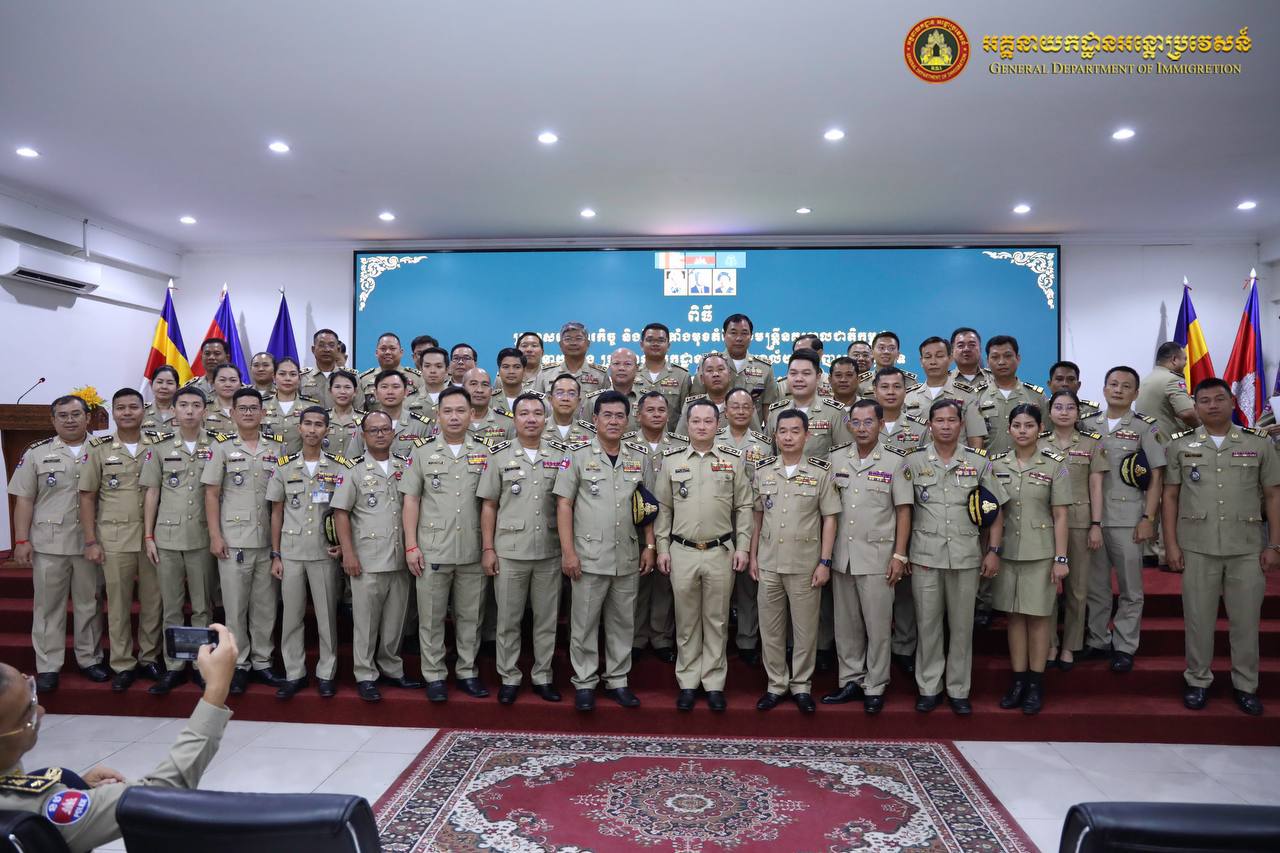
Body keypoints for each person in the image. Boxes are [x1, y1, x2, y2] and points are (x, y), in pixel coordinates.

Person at [0, 623, 238, 853]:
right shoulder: (38, 809)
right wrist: (216, 691)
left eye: (32, 691)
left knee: (66, 777)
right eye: (28, 715)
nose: (41, 712)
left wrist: (76, 789)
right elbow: (160, 793)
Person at [1163, 378, 1280, 716]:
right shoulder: (1180, 445)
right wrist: (1170, 545)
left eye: (1219, 399)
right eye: (1204, 400)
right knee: (1198, 620)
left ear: (1232, 401)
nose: (1212, 405)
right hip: (1197, 546)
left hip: (1246, 547)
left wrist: (1275, 544)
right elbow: (1170, 496)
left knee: (1246, 622)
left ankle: (1246, 685)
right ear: (1195, 406)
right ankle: (1198, 680)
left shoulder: (1258, 443)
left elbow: (1273, 495)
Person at [892, 398, 1007, 715]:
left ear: (961, 424)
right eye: (939, 421)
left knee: (961, 627)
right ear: (929, 425)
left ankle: (958, 689)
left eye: (951, 420)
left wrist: (994, 550)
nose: (945, 426)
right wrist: (903, 554)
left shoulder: (979, 462)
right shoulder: (912, 462)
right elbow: (904, 511)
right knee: (927, 626)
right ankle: (929, 687)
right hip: (926, 556)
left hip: (966, 556)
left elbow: (995, 510)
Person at [555, 390, 655, 711]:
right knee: (584, 623)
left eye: (619, 416)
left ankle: (617, 680)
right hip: (588, 557)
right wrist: (568, 552)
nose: (614, 421)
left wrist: (649, 545)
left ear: (628, 421)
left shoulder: (638, 457)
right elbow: (564, 504)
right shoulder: (577, 455)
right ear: (595, 419)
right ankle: (584, 682)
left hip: (627, 555)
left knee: (623, 623)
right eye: (607, 415)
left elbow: (648, 506)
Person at [655, 399, 754, 712]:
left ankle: (713, 683)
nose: (701, 426)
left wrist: (743, 547)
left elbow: (744, 506)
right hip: (682, 551)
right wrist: (661, 548)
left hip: (720, 551)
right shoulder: (672, 461)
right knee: (685, 621)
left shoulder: (732, 460)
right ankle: (687, 681)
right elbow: (663, 508)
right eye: (695, 421)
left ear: (717, 424)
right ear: (687, 424)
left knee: (717, 620)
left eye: (708, 421)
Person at [9, 395, 107, 691]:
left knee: (89, 603)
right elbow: (24, 500)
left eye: (76, 414)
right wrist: (21, 540)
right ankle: (48, 666)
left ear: (88, 417)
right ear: (52, 420)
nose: (70, 420)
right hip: (49, 543)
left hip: (91, 542)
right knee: (48, 607)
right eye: (62, 415)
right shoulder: (36, 453)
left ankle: (89, 659)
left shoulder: (104, 449)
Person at [401, 387, 492, 702]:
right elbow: (411, 500)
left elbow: (490, 504)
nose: (454, 417)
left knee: (471, 617)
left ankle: (467, 672)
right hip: (432, 549)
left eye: (460, 411)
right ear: (437, 415)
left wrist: (488, 547)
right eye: (448, 411)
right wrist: (411, 545)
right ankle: (435, 675)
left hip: (472, 549)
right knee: (431, 617)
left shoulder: (485, 452)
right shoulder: (422, 452)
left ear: (471, 415)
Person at [749, 410, 840, 714]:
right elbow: (757, 516)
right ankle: (776, 684)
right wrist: (753, 556)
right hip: (769, 563)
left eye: (795, 431)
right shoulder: (763, 471)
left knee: (805, 630)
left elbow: (830, 519)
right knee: (771, 629)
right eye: (783, 431)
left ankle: (801, 685)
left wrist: (825, 561)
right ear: (775, 436)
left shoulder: (820, 472)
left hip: (805, 564)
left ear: (807, 435)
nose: (788, 437)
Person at [478, 393, 567, 704]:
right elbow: (489, 505)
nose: (531, 419)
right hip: (510, 552)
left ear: (546, 419)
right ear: (514, 419)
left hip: (549, 551)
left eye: (537, 413)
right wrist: (488, 549)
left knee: (546, 620)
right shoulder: (498, 454)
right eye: (524, 413)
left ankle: (543, 676)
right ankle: (509, 676)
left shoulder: (560, 454)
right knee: (508, 620)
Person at [825, 400, 910, 714]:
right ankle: (850, 679)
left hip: (878, 556)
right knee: (845, 624)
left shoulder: (895, 461)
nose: (862, 428)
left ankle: (875, 684)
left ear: (880, 424)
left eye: (868, 422)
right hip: (842, 556)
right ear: (849, 425)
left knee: (877, 626)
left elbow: (903, 511)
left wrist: (900, 555)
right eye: (856, 422)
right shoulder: (835, 458)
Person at [332, 410, 424, 702]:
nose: (380, 434)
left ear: (393, 433)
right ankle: (365, 674)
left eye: (385, 429)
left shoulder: (405, 466)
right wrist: (348, 554)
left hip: (399, 556)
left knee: (395, 621)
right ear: (363, 436)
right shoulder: (353, 469)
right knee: (366, 622)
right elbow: (340, 513)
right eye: (374, 430)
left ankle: (392, 667)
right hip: (367, 559)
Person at [1079, 366, 1166, 672]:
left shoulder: (1145, 428)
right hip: (1092, 519)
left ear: (1136, 393)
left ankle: (1125, 645)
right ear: (1104, 389)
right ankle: (1098, 640)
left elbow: (1156, 476)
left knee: (1131, 588)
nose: (1118, 389)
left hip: (1129, 518)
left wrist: (1148, 517)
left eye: (1126, 386)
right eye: (1113, 384)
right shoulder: (1087, 424)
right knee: (1096, 586)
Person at [201, 387, 287, 693]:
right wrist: (215, 535)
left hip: (267, 541)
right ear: (233, 413)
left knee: (265, 606)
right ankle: (238, 664)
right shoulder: (222, 447)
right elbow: (211, 494)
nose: (249, 413)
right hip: (234, 540)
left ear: (263, 413)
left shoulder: (276, 447)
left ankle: (263, 662)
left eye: (254, 408)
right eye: (243, 408)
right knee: (235, 607)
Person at [78, 389, 163, 692]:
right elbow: (87, 496)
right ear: (113, 413)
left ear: (144, 411)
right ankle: (123, 663)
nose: (127, 413)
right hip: (114, 537)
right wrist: (91, 541)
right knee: (118, 604)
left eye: (133, 407)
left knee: (153, 601)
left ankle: (149, 657)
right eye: (121, 408)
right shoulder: (98, 448)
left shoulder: (159, 443)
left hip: (154, 537)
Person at [990, 405, 1072, 714]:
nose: (1022, 430)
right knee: (1014, 617)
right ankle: (1018, 681)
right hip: (1008, 550)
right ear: (1009, 429)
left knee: (1038, 619)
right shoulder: (996, 464)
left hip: (1041, 552)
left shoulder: (1054, 464)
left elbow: (1060, 515)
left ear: (1040, 429)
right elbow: (993, 512)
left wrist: (1061, 558)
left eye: (1029, 425)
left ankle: (1036, 683)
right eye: (1017, 425)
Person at [267, 406, 348, 699]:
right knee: (291, 617)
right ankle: (294, 673)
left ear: (327, 430)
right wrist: (276, 554)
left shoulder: (339, 467)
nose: (313, 429)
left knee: (326, 618)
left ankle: (326, 673)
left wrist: (343, 544)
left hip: (324, 552)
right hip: (291, 552)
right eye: (308, 424)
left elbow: (343, 511)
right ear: (299, 428)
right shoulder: (284, 466)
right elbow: (276, 512)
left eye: (318, 425)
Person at [140, 386, 217, 694]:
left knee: (202, 606)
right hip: (167, 536)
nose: (189, 410)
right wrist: (148, 535)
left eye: (196, 405)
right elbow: (152, 492)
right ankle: (173, 667)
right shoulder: (159, 447)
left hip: (201, 536)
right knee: (171, 606)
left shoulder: (217, 445)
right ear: (173, 410)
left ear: (205, 411)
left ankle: (201, 665)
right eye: (183, 405)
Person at [970, 335, 1043, 626]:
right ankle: (984, 601)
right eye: (995, 357)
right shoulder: (976, 396)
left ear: (1018, 359)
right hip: (988, 478)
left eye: (1008, 356)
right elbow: (974, 442)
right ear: (987, 360)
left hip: (1027, 477)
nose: (1001, 362)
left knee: (1021, 536)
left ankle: (1016, 598)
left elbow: (1046, 439)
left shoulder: (1034, 397)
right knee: (985, 539)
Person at [1039, 391, 1108, 670]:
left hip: (1080, 522)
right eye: (1058, 407)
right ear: (1050, 412)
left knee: (1077, 589)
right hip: (1045, 522)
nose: (1064, 412)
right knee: (1046, 587)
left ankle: (1070, 645)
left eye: (1070, 407)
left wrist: (1096, 525)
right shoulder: (1039, 442)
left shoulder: (1092, 443)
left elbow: (1096, 486)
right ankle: (1050, 644)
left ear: (1078, 413)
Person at [630, 391, 688, 662]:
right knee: (637, 585)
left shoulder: (681, 445)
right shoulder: (625, 444)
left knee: (664, 585)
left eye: (661, 410)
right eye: (650, 410)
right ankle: (636, 637)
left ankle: (662, 637)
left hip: (670, 528)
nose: (656, 415)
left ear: (668, 414)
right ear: (638, 414)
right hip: (633, 529)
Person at [904, 336, 987, 449]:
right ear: (921, 361)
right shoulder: (908, 396)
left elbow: (975, 438)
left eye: (939, 356)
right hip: (918, 460)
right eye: (928, 357)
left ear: (950, 358)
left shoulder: (967, 395)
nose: (933, 362)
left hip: (958, 459)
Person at [765, 349, 850, 459]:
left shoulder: (834, 412)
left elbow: (846, 456)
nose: (798, 379)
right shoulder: (776, 413)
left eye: (806, 373)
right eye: (793, 373)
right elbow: (768, 455)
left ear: (818, 377)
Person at [709, 313, 778, 418]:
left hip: (752, 428)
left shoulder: (765, 368)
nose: (739, 338)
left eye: (744, 333)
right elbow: (697, 401)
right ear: (724, 335)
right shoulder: (708, 364)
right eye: (733, 333)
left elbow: (769, 409)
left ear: (751, 336)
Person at [1136, 342, 1200, 442]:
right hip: (1168, 446)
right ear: (1174, 360)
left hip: (1147, 444)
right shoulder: (1172, 380)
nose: (1186, 363)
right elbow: (1187, 414)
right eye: (1185, 359)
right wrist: (1202, 430)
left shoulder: (1145, 381)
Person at [634, 322, 691, 431]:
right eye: (650, 340)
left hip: (670, 439)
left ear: (668, 345)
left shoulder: (682, 376)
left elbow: (686, 414)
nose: (655, 344)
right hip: (635, 439)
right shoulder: (632, 373)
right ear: (641, 344)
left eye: (660, 340)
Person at [260, 357, 317, 455]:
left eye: (293, 374)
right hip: (269, 462)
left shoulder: (311, 407)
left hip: (301, 462)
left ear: (299, 378)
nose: (287, 378)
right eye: (282, 374)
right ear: (274, 378)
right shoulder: (261, 406)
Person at [370, 369, 434, 456]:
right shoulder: (365, 425)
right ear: (376, 393)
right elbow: (356, 459)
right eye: (384, 387)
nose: (390, 392)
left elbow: (427, 459)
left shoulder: (421, 426)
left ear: (406, 392)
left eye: (396, 387)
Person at [537, 321, 609, 395]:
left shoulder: (600, 375)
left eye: (578, 338)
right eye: (568, 339)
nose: (573, 343)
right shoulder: (545, 374)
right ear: (560, 344)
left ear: (588, 343)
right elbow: (534, 400)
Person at [359, 332, 421, 411]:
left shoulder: (417, 378)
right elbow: (359, 411)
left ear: (401, 352)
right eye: (383, 349)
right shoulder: (363, 380)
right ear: (376, 353)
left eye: (392, 348)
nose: (388, 352)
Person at [581, 348, 640, 430]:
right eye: (616, 363)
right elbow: (584, 433)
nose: (621, 368)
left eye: (627, 364)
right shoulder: (593, 401)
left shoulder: (646, 399)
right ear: (609, 368)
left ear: (637, 369)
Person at [873, 367, 927, 450]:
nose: (890, 392)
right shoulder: (863, 426)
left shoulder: (921, 427)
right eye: (884, 387)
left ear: (905, 391)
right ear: (875, 391)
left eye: (897, 386)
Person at [463, 367, 514, 446]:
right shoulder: (451, 420)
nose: (479, 390)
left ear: (491, 391)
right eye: (473, 384)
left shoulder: (507, 423)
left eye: (485, 385)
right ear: (463, 389)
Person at [858, 331, 918, 396]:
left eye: (891, 348)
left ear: (898, 354)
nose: (886, 352)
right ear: (872, 353)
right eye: (881, 348)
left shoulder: (910, 382)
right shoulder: (860, 382)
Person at [544, 373, 595, 444]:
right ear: (550, 399)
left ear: (578, 401)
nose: (565, 398)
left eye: (571, 394)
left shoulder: (590, 433)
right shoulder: (538, 428)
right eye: (559, 393)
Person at [776, 334, 832, 398]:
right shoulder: (783, 385)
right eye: (796, 352)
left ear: (820, 353)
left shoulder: (832, 383)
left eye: (805, 352)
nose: (800, 356)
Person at [324, 369, 364, 457]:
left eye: (347, 387)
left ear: (355, 392)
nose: (342, 392)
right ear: (330, 391)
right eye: (337, 387)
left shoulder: (364, 419)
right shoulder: (322, 418)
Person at [299, 328, 342, 407]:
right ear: (313, 349)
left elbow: (357, 410)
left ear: (338, 350)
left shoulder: (350, 378)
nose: (327, 349)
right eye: (321, 345)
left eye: (331, 345)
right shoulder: (301, 377)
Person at [203, 363, 244, 433]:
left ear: (240, 384)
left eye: (233, 380)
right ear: (213, 384)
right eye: (222, 380)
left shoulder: (249, 409)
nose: (228, 385)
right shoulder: (203, 409)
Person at [492, 347, 533, 415]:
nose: (511, 371)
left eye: (517, 367)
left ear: (524, 370)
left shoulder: (538, 400)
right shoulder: (488, 400)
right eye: (506, 367)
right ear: (499, 370)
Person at [414, 346, 451, 419]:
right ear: (421, 369)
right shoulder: (409, 400)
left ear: (447, 370)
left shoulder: (458, 397)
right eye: (427, 366)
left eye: (438, 366)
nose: (432, 371)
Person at [142, 365, 179, 430]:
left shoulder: (185, 411)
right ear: (151, 384)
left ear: (177, 387)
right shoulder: (141, 411)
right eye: (159, 382)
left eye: (170, 383)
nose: (164, 387)